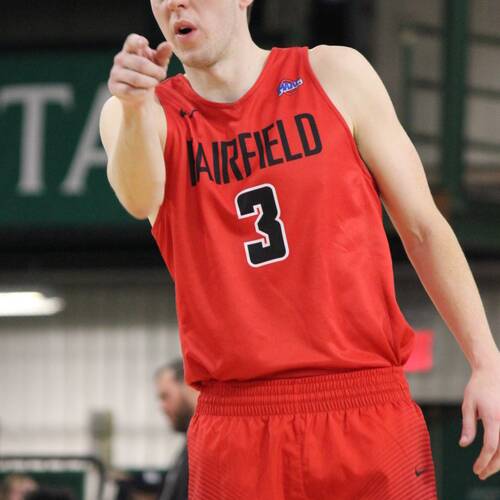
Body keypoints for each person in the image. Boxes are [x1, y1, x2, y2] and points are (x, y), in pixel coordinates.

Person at [99, 0, 500, 498]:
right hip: (234, 424)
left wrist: (487, 361)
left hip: (364, 403)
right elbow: (139, 199)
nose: (174, 2)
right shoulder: (139, 114)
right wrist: (135, 109)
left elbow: (422, 227)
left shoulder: (335, 74)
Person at [155, 359, 198, 500]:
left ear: (188, 386)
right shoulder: (190, 444)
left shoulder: (204, 446)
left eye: (165, 396)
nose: (162, 407)